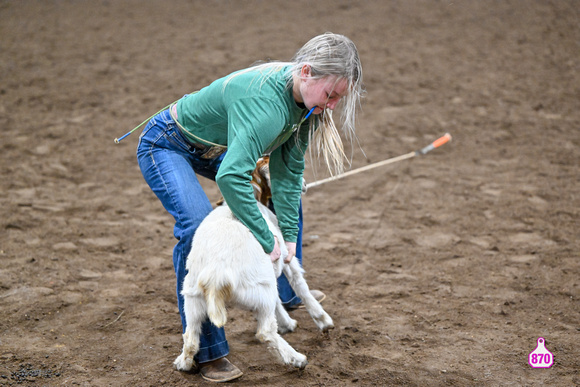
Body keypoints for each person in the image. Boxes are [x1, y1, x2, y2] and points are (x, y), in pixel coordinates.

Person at [136, 32, 363, 383]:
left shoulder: (309, 106)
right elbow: (231, 177)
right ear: (306, 73)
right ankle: (208, 353)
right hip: (166, 144)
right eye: (330, 95)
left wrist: (286, 239)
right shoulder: (267, 107)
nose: (332, 105)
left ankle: (284, 294)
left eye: (338, 98)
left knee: (282, 194)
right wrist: (265, 237)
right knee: (196, 225)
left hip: (216, 146)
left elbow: (287, 175)